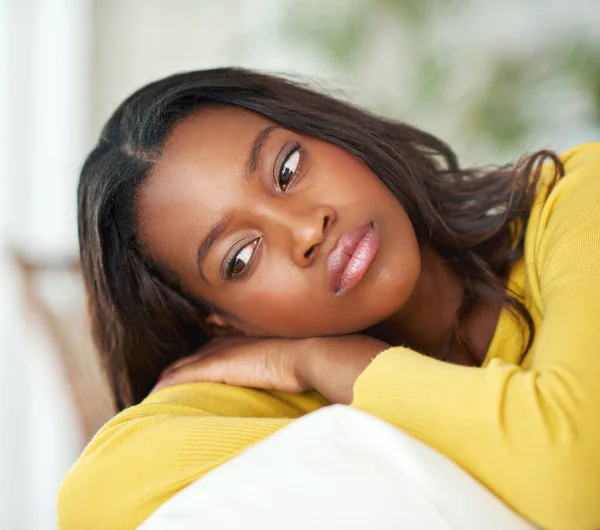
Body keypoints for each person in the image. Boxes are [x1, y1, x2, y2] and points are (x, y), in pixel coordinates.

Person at [57, 68, 600, 530]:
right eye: (240, 258)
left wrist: (324, 360)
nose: (306, 231)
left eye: (288, 169)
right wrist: (305, 363)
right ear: (226, 322)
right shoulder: (269, 388)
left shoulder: (578, 199)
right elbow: (93, 498)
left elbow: (576, 477)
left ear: (333, 134)